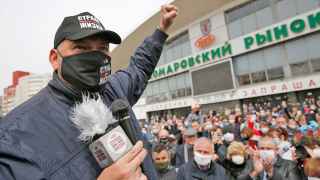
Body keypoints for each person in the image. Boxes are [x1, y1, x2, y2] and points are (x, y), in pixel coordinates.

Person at [0, 4, 178, 180]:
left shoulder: (114, 89)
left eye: (102, 48)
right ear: (55, 59)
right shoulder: (14, 137)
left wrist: (161, 29)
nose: (94, 56)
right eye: (81, 48)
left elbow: (140, 66)